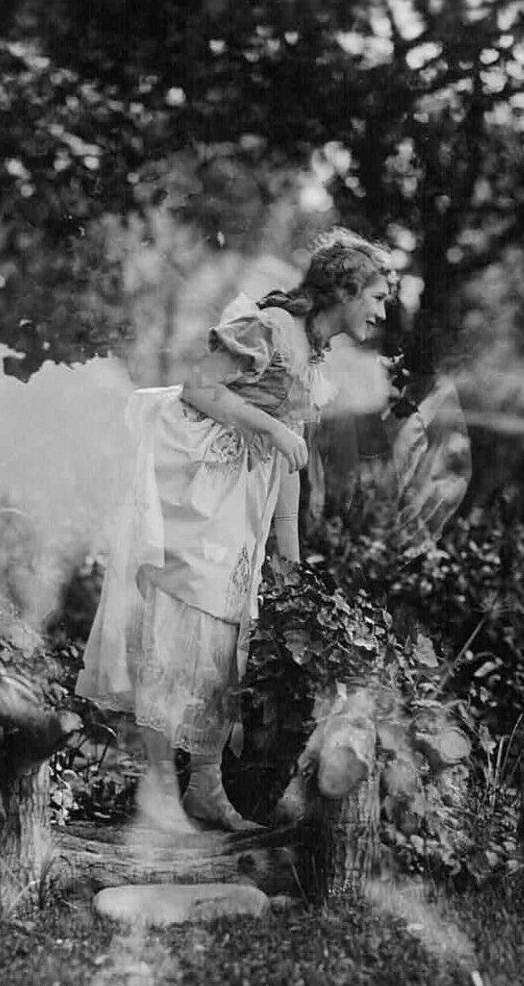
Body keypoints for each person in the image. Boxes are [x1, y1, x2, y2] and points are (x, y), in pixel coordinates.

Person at [77, 229, 394, 832]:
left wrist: (290, 566)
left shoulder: (313, 357)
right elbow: (199, 386)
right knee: (179, 624)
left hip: (239, 502)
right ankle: (158, 790)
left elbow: (289, 463)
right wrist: (270, 428)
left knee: (224, 636)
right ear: (346, 289)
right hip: (197, 485)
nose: (382, 312)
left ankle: (206, 785)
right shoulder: (271, 328)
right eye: (376, 297)